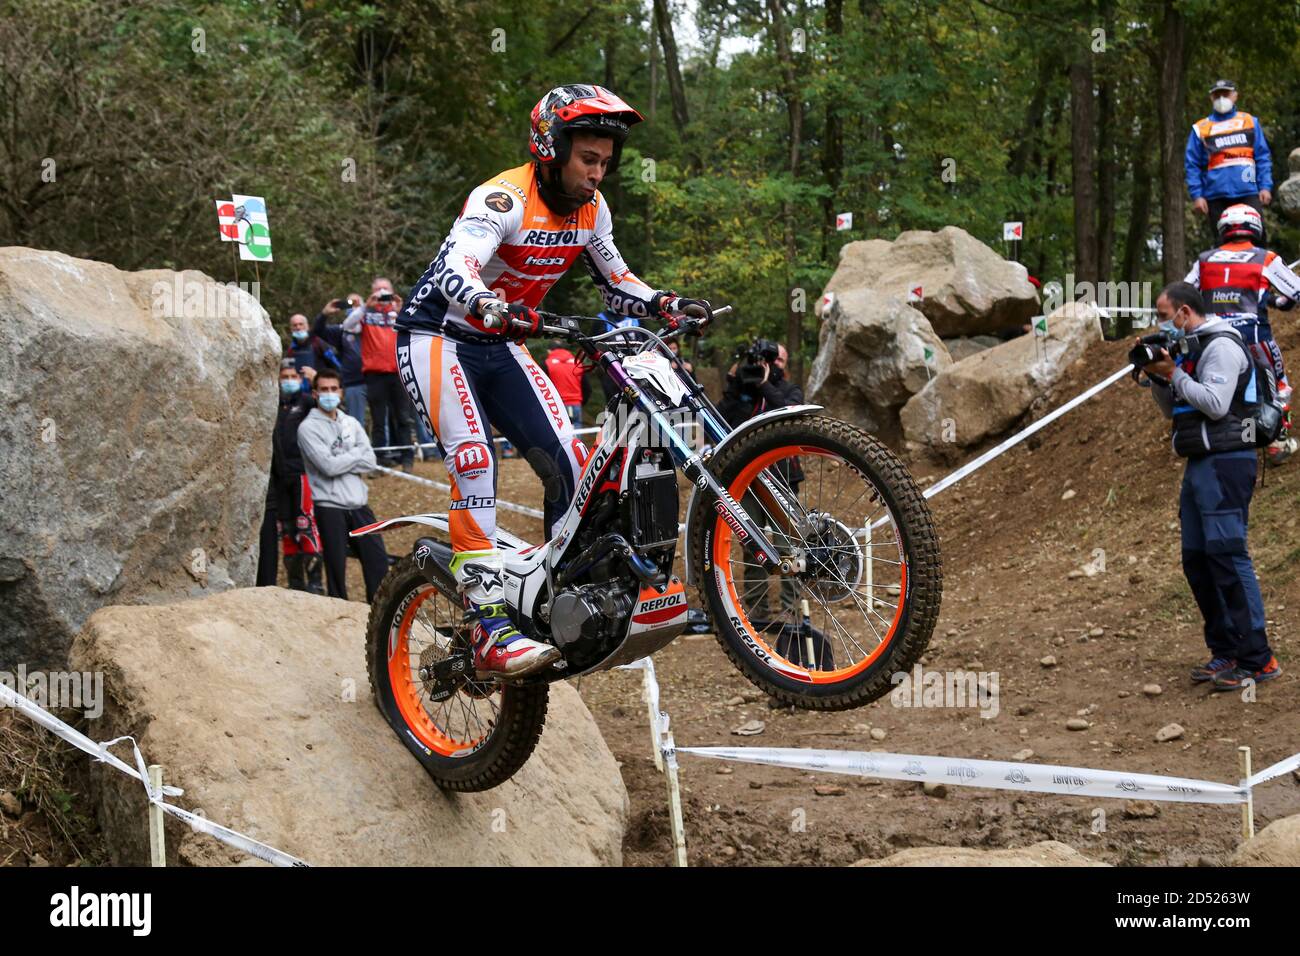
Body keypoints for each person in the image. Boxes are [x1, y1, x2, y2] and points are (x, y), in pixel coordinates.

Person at [396, 83, 712, 677]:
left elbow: (618, 282)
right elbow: (452, 266)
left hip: (501, 344)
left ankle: (566, 605)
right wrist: (486, 302)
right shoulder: (502, 199)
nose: (597, 174)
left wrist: (667, 301)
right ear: (551, 146)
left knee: (571, 463)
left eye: (605, 164)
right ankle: (485, 622)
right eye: (588, 160)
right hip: (437, 335)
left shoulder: (593, 212)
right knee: (474, 459)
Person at [1138, 281, 1280, 691]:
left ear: (1185, 312)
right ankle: (1226, 650)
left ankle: (1259, 658)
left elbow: (1216, 405)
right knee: (1197, 560)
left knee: (1228, 556)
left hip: (1228, 460)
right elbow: (1174, 410)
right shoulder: (1190, 349)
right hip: (1199, 461)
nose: (1162, 324)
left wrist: (1176, 374)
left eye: (1165, 316)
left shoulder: (1220, 346)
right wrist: (1158, 379)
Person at [1184, 203, 1300, 464]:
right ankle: (1276, 444)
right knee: (1276, 386)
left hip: (1214, 339)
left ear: (1223, 229)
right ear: (1255, 227)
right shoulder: (1265, 258)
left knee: (1234, 391)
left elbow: (1183, 293)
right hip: (1254, 336)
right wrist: (1278, 302)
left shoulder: (1204, 260)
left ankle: (1242, 443)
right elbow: (1296, 292)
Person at [296, 367, 390, 602]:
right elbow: (327, 467)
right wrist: (355, 455)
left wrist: (345, 459)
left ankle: (380, 613)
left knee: (377, 560)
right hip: (329, 505)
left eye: (333, 389)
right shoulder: (308, 428)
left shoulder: (351, 423)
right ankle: (339, 612)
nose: (329, 393)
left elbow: (370, 461)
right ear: (315, 393)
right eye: (324, 389)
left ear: (341, 392)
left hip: (359, 504)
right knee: (336, 568)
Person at [256, 360, 324, 593]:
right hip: (278, 477)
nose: (288, 380)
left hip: (302, 474)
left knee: (306, 525)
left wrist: (315, 379)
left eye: (293, 376)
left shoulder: (306, 402)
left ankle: (315, 582)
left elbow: (330, 404)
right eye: (284, 376)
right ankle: (296, 583)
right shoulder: (273, 405)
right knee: (286, 530)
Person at [1185, 80, 1274, 242]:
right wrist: (1197, 195)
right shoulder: (1201, 128)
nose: (1221, 98)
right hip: (1215, 194)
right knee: (1222, 242)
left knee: (1257, 238)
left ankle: (1260, 267)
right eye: (1217, 95)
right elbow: (1192, 164)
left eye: (1225, 94)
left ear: (1235, 96)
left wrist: (1265, 186)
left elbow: (1262, 156)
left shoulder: (1249, 121)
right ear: (1211, 98)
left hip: (1248, 190)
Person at [344, 277, 416, 471]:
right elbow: (347, 326)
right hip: (374, 374)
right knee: (378, 419)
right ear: (372, 292)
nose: (382, 294)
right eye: (378, 290)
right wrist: (365, 307)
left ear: (392, 292)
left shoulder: (398, 313)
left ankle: (407, 458)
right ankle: (380, 461)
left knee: (403, 417)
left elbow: (415, 329)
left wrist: (401, 309)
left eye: (386, 290)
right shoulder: (366, 315)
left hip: (398, 372)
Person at [313, 295, 367, 425]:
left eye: (356, 304)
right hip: (353, 383)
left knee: (383, 424)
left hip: (377, 380)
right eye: (349, 304)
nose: (353, 308)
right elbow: (319, 330)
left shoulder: (374, 328)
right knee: (355, 423)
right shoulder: (342, 331)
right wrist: (324, 314)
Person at [285, 312, 337, 393]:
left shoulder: (318, 343)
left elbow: (336, 366)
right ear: (291, 329)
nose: (298, 327)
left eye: (301, 324)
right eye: (295, 325)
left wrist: (318, 377)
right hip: (300, 395)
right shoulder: (291, 350)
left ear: (307, 326)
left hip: (322, 391)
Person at [544, 341, 586, 426]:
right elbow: (587, 388)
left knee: (561, 434)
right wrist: (580, 402)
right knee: (577, 434)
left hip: (557, 406)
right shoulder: (578, 363)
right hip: (576, 404)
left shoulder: (547, 364)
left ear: (549, 351)